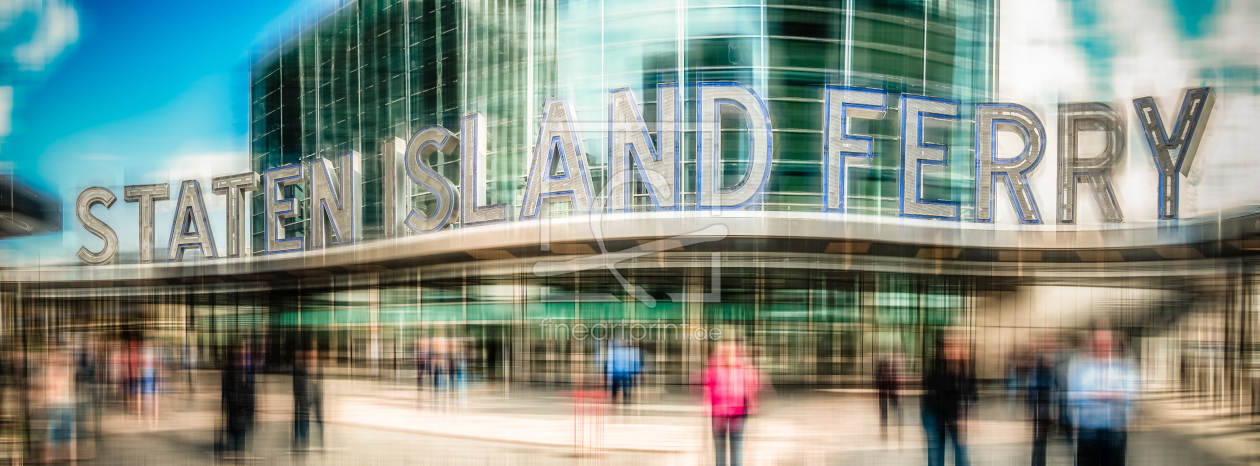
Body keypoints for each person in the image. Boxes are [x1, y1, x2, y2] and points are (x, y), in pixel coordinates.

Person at [1069, 326, 1136, 466]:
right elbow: (1076, 397)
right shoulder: (1081, 369)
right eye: (1098, 343)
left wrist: (1098, 395)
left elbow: (1130, 395)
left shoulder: (1123, 368)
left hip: (1114, 432)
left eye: (1106, 343)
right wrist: (1110, 395)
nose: (1102, 347)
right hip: (1088, 432)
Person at [921, 332, 976, 466]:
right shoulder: (937, 367)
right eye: (951, 347)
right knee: (936, 452)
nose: (955, 351)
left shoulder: (965, 369)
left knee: (961, 451)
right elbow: (934, 394)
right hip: (934, 413)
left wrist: (964, 416)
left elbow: (972, 394)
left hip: (953, 415)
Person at [704, 342, 762, 466]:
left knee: (735, 445)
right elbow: (708, 387)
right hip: (720, 413)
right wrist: (708, 407)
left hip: (737, 412)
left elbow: (752, 385)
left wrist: (752, 403)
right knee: (721, 447)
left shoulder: (743, 366)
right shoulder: (715, 366)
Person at [1028, 344, 1057, 466]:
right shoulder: (1045, 374)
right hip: (1042, 411)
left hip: (1040, 411)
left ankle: (1037, 462)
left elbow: (1031, 393)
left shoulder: (1036, 374)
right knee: (1040, 441)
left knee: (1039, 441)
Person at [875, 350, 901, 439]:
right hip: (887, 391)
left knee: (888, 408)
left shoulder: (887, 369)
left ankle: (886, 424)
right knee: (888, 408)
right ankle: (886, 424)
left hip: (887, 391)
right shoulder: (888, 369)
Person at [606, 339, 641, 405]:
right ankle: (625, 398)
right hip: (624, 372)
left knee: (617, 386)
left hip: (617, 372)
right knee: (625, 386)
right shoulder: (631, 352)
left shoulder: (615, 351)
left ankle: (616, 398)